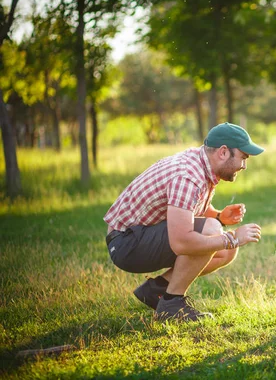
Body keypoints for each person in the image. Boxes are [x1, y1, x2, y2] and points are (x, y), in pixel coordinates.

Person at [103, 122, 264, 322]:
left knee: (226, 250)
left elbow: (185, 206)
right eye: (243, 157)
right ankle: (171, 304)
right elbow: (181, 243)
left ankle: (157, 290)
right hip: (127, 244)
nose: (244, 165)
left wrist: (219, 216)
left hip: (140, 235)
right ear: (223, 152)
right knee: (215, 233)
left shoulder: (200, 163)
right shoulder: (188, 176)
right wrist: (232, 238)